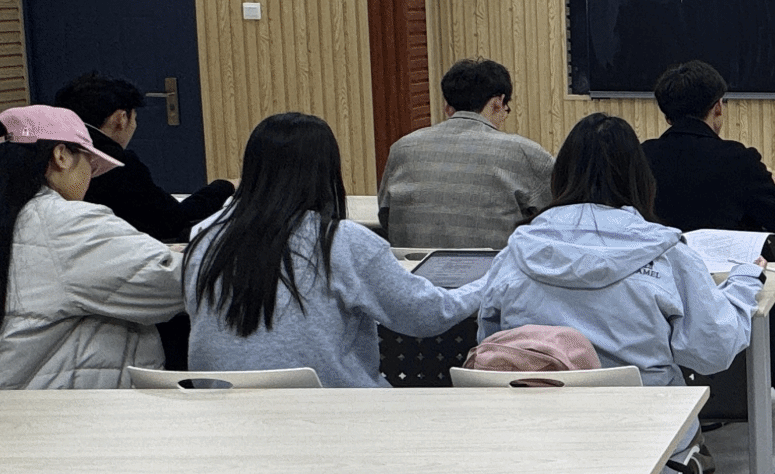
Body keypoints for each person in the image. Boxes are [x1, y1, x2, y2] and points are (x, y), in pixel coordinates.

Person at [479, 112, 758, 474]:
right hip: (643, 437)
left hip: (535, 436)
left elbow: (489, 343)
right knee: (685, 434)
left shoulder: (517, 250)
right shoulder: (665, 251)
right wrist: (744, 284)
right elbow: (713, 350)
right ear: (639, 178)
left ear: (561, 174)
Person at [185, 113, 483, 387]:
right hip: (334, 412)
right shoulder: (342, 241)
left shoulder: (205, 236)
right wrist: (489, 282)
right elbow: (427, 315)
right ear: (326, 171)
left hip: (222, 413)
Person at [642, 60, 775, 422]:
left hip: (657, 291)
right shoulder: (736, 159)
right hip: (729, 286)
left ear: (666, 112)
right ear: (717, 107)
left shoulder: (641, 158)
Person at [0, 105, 183, 388]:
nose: (92, 176)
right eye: (91, 163)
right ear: (61, 155)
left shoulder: (20, 219)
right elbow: (173, 281)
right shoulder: (63, 221)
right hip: (65, 408)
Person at [378, 58, 554, 249]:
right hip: (494, 267)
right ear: (498, 103)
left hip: (412, 266)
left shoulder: (402, 148)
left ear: (447, 108)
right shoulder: (525, 153)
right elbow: (557, 221)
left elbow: (386, 216)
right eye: (506, 109)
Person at [52, 71, 234, 242]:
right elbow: (173, 220)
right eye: (135, 118)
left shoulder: (50, 154)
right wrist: (224, 186)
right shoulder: (114, 163)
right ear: (121, 118)